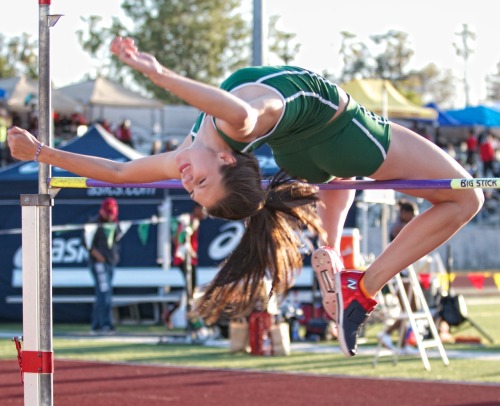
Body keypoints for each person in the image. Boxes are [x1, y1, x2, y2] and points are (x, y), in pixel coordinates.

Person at [7, 37, 484, 357]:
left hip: (309, 159)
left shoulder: (189, 154)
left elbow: (117, 171)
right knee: (466, 198)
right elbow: (234, 108)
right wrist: (158, 74)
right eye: (200, 183)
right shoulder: (237, 126)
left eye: (191, 188)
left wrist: (43, 151)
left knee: (337, 184)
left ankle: (334, 253)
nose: (188, 180)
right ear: (229, 162)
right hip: (344, 133)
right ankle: (364, 284)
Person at [377, 198, 419, 353]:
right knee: (409, 308)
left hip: (404, 270)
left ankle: (403, 343)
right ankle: (386, 334)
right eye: (413, 214)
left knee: (411, 308)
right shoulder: (398, 227)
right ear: (404, 213)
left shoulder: (403, 225)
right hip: (399, 273)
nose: (415, 218)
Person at [86, 197, 123, 335]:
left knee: (106, 294)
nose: (110, 215)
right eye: (108, 213)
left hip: (110, 263)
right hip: (99, 263)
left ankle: (104, 324)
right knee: (103, 294)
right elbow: (86, 243)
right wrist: (97, 256)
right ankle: (100, 325)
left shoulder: (115, 224)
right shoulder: (94, 223)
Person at [170, 203, 207, 325]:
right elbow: (177, 239)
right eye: (202, 209)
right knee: (190, 290)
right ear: (196, 209)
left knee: (191, 289)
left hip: (190, 259)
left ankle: (172, 312)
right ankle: (189, 320)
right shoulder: (187, 221)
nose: (204, 212)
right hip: (183, 259)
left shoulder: (194, 221)